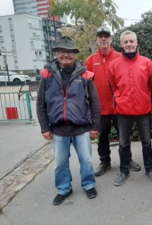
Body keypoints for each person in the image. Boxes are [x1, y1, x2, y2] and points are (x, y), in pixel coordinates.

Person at [36, 36, 100, 205]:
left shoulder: (86, 75)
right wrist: (44, 127)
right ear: (56, 53)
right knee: (60, 163)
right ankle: (64, 188)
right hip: (58, 130)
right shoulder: (47, 76)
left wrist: (95, 127)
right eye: (62, 51)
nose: (66, 55)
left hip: (82, 129)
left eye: (70, 52)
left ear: (75, 55)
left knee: (86, 160)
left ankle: (88, 185)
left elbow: (95, 103)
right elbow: (41, 104)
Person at [85, 27, 141, 177]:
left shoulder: (119, 57)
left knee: (124, 136)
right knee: (102, 136)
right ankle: (105, 161)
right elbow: (85, 84)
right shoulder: (90, 60)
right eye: (100, 37)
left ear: (111, 39)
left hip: (119, 106)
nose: (103, 39)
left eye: (106, 36)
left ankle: (127, 159)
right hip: (100, 107)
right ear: (97, 40)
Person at [108, 30, 152, 186]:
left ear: (136, 43)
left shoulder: (147, 63)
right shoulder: (114, 65)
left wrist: (143, 97)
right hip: (123, 111)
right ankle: (124, 171)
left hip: (143, 109)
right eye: (126, 42)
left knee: (147, 142)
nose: (129, 44)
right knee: (123, 143)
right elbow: (113, 86)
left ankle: (149, 169)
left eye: (131, 41)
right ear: (121, 44)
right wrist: (121, 98)